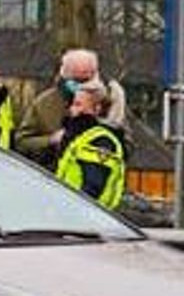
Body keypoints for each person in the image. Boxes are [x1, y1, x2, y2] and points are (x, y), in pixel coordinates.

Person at [14, 47, 127, 167]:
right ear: (64, 75)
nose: (82, 85)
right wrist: (51, 140)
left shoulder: (110, 100)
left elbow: (127, 144)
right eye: (76, 80)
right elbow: (22, 142)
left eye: (87, 79)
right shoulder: (44, 103)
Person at [54, 78, 127, 209]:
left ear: (97, 109)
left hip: (84, 215)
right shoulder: (81, 135)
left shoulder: (100, 140)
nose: (72, 109)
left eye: (78, 104)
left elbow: (93, 187)